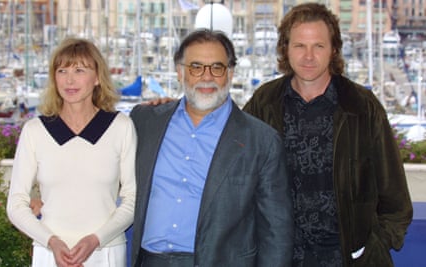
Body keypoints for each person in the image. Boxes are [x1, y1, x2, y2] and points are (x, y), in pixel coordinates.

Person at [242, 3, 413, 267]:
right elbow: (233, 160)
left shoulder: (362, 106)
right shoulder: (264, 103)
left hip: (347, 258)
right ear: (285, 49)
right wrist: (167, 112)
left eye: (318, 46)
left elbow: (396, 198)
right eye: (299, 46)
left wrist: (373, 247)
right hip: (280, 257)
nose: (308, 56)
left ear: (333, 49)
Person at [130, 29, 294, 267]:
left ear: (230, 73)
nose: (206, 77)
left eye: (216, 67)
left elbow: (276, 232)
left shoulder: (262, 141)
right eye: (196, 67)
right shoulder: (145, 121)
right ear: (180, 72)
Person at [7, 37, 137, 267]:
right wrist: (52, 242)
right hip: (50, 253)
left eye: (79, 70)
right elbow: (16, 204)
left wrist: (95, 240)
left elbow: (132, 200)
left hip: (106, 252)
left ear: (97, 77)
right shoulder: (35, 131)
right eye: (62, 70)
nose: (69, 79)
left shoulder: (120, 127)